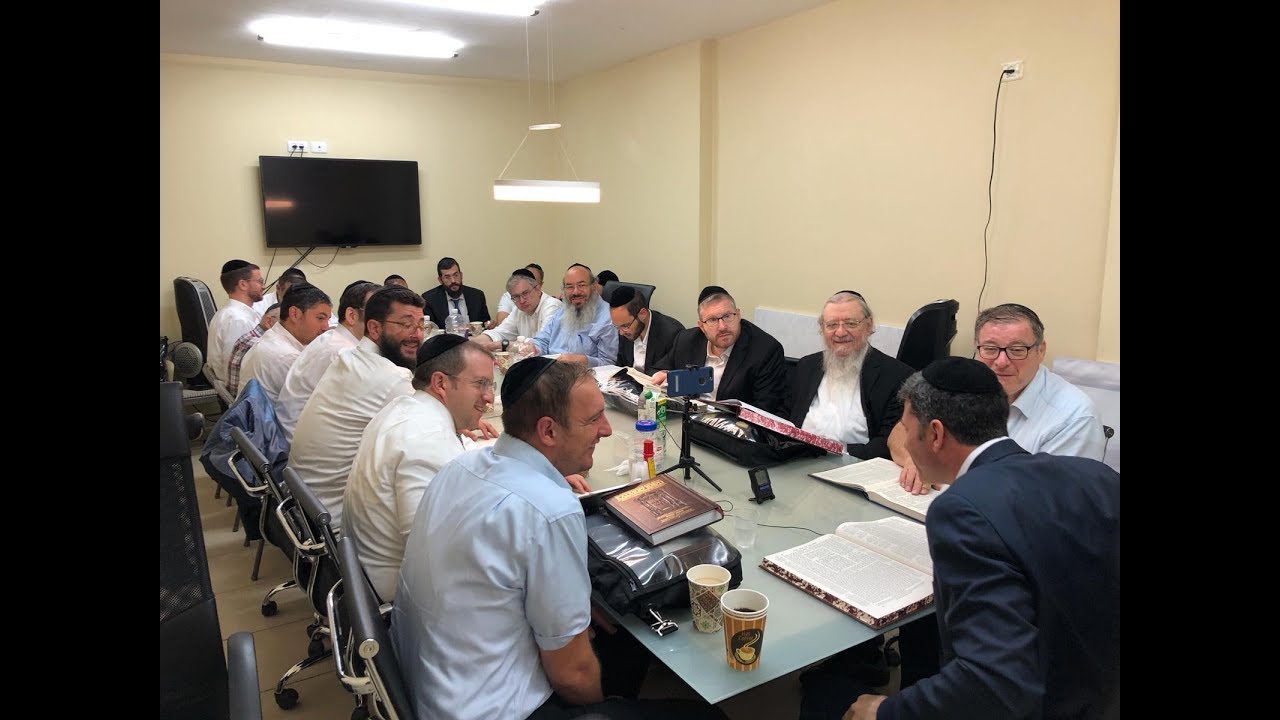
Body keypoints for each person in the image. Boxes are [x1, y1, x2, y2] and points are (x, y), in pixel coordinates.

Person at [392, 358, 728, 720]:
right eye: (592, 420)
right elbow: (573, 675)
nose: (606, 430)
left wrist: (574, 607)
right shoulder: (550, 510)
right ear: (548, 431)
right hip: (495, 709)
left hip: (429, 684)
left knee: (616, 631)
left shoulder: (459, 467)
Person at [802, 357, 1120, 720]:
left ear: (936, 435)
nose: (905, 443)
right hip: (1099, 694)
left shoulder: (963, 509)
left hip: (1035, 706)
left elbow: (995, 684)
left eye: (907, 430)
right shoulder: (1096, 475)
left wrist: (886, 710)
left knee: (825, 696)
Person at [343, 334, 499, 601]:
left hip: (369, 572)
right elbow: (435, 553)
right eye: (480, 384)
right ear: (440, 383)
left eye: (491, 385)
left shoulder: (404, 408)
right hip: (400, 594)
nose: (489, 397)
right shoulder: (427, 439)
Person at [890, 302, 1106, 493]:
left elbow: (1050, 499)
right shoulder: (967, 383)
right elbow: (901, 430)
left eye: (1017, 350)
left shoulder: (1075, 417)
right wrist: (915, 460)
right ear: (977, 349)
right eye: (990, 349)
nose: (1001, 362)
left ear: (1041, 351)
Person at [288, 286, 427, 527]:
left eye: (421, 325)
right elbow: (429, 437)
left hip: (305, 504)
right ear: (374, 328)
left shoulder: (349, 357)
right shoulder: (391, 377)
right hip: (335, 520)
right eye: (406, 325)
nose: (417, 335)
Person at [785, 291, 913, 459]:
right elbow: (785, 417)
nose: (840, 332)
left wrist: (828, 452)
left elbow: (887, 444)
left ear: (869, 326)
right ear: (822, 329)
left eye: (851, 324)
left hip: (856, 464)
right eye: (831, 325)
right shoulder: (806, 366)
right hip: (796, 459)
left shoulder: (897, 376)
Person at [650, 286, 788, 415]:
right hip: (687, 420)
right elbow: (658, 370)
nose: (722, 327)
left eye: (727, 316)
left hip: (734, 426)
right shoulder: (686, 340)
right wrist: (665, 375)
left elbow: (766, 411)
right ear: (701, 326)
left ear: (738, 315)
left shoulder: (765, 351)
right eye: (712, 320)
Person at [275, 281, 382, 443]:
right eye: (376, 313)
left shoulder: (333, 338)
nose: (383, 321)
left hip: (293, 430)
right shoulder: (343, 352)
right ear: (352, 316)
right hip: (299, 440)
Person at [236, 283, 332, 406]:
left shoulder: (272, 337)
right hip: (271, 418)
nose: (326, 327)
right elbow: (314, 405)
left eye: (328, 320)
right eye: (320, 318)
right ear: (295, 314)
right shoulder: (287, 356)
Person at [528, 263, 618, 367]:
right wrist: (532, 348)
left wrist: (584, 360)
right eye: (569, 287)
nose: (576, 292)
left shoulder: (608, 317)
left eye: (581, 285)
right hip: (552, 369)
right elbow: (542, 341)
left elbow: (609, 363)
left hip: (585, 373)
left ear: (593, 286)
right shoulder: (563, 310)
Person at [206, 259, 265, 385]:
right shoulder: (237, 320)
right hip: (244, 392)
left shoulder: (232, 314)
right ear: (243, 284)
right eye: (260, 281)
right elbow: (237, 369)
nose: (263, 286)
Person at [473, 270, 562, 352]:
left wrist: (504, 344)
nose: (522, 301)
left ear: (538, 289)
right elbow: (500, 332)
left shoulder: (552, 306)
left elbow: (541, 344)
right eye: (516, 297)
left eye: (525, 293)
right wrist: (472, 342)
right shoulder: (519, 310)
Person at [607, 286, 683, 375]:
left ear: (642, 314)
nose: (621, 333)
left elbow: (674, 375)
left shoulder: (673, 334)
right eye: (617, 327)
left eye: (625, 326)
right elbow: (621, 365)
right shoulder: (624, 329)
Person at [226, 303, 281, 397]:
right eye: (285, 323)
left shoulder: (249, 337)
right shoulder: (259, 344)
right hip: (245, 401)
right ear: (269, 321)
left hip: (241, 399)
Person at [421, 256, 490, 327]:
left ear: (461, 275)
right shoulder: (429, 299)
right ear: (440, 280)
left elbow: (485, 323)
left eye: (456, 275)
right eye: (447, 277)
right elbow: (431, 330)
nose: (453, 281)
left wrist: (489, 324)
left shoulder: (477, 296)